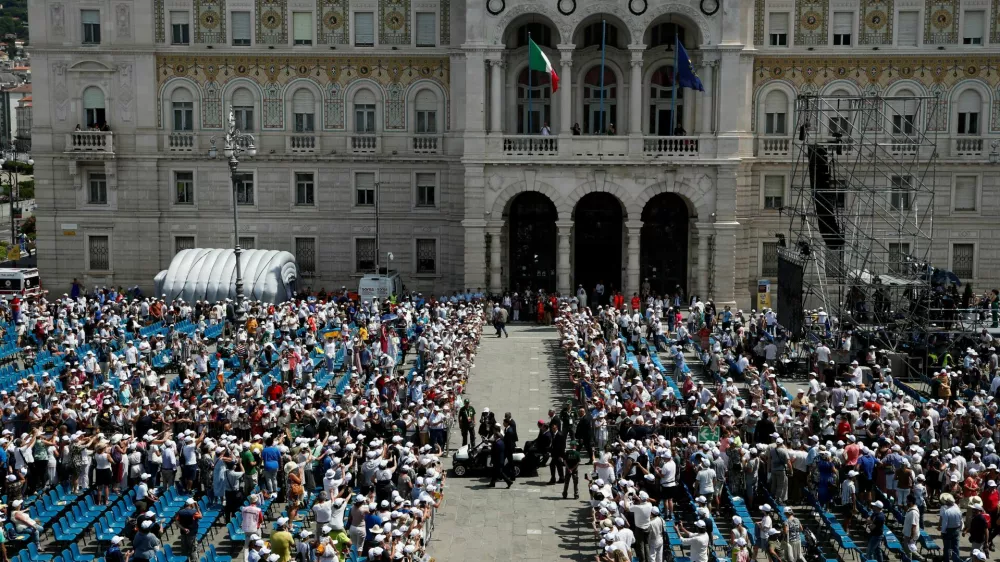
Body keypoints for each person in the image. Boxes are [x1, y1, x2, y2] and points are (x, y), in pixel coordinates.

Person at [176, 497, 203, 562]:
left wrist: (184, 529)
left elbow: (177, 523)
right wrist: (197, 507)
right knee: (193, 550)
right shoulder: (194, 513)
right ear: (191, 504)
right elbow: (200, 516)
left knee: (184, 550)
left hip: (183, 533)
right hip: (192, 534)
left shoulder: (180, 512)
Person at [940, 493, 963, 562]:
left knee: (947, 547)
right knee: (955, 547)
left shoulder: (947, 512)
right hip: (956, 529)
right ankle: (956, 560)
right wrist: (960, 528)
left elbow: (945, 524)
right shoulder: (958, 510)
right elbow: (961, 521)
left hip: (948, 531)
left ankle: (946, 560)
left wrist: (942, 532)